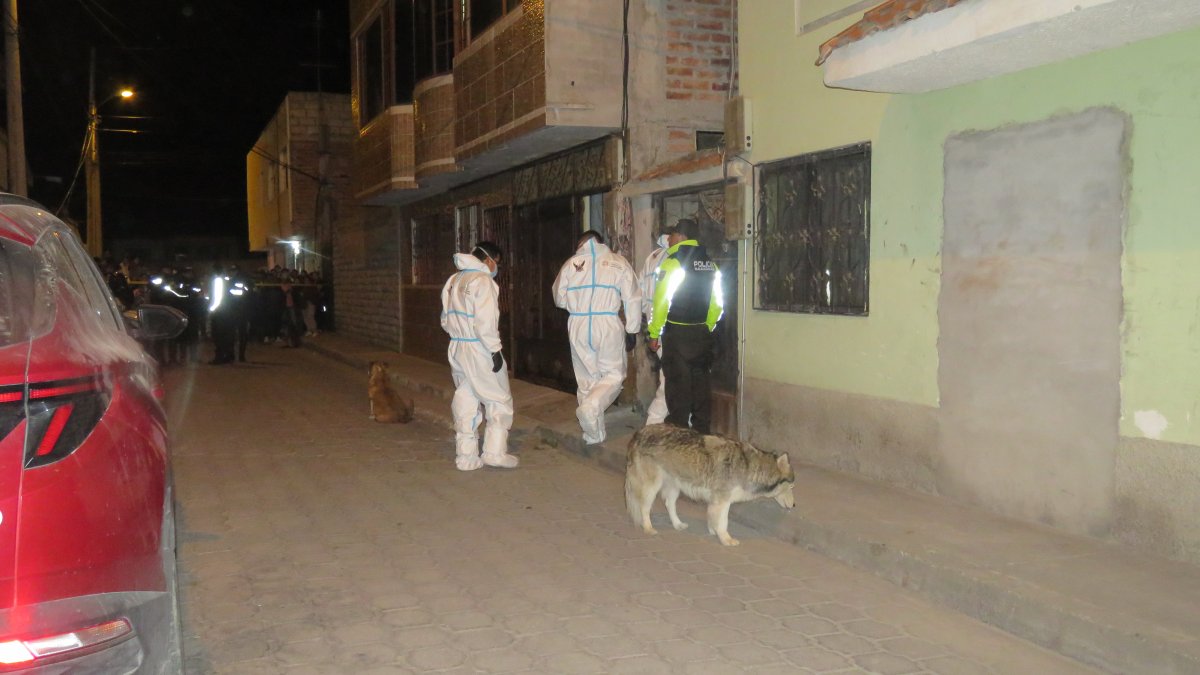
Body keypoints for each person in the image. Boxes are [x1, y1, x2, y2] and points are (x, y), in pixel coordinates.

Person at [551, 230, 641, 445]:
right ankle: (591, 407)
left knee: (586, 380)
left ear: (581, 244)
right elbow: (633, 298)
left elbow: (559, 299)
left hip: (578, 324)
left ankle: (593, 434)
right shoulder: (618, 262)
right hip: (607, 323)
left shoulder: (571, 264)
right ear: (601, 242)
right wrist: (632, 329)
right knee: (613, 375)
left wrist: (579, 301)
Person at [440, 242, 520, 470]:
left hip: (457, 347)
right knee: (498, 399)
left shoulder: (453, 280)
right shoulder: (483, 281)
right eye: (497, 262)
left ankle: (466, 456)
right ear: (489, 259)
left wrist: (460, 335)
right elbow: (486, 322)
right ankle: (495, 452)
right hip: (479, 348)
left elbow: (445, 319)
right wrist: (494, 350)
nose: (497, 268)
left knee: (466, 396)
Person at [647, 218, 724, 434]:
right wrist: (705, 327)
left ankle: (679, 439)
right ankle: (701, 435)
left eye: (671, 234)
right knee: (700, 387)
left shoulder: (672, 263)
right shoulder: (711, 263)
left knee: (678, 388)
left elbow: (661, 302)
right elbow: (718, 304)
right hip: (701, 334)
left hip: (677, 335)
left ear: (681, 236)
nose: (669, 239)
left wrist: (654, 333)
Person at [638, 228, 673, 426]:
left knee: (668, 374)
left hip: (655, 323)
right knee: (671, 377)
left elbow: (641, 292)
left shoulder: (653, 256)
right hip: (668, 325)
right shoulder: (672, 257)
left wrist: (647, 315)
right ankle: (654, 421)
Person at [207, 265, 236, 365]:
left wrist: (212, 309)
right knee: (226, 335)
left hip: (219, 312)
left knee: (219, 335)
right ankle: (228, 355)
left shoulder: (218, 281)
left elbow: (218, 298)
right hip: (227, 311)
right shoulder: (227, 280)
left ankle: (220, 357)